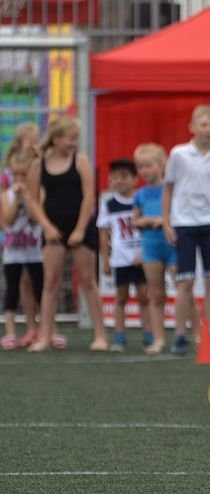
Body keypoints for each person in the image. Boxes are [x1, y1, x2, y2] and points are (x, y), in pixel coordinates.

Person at [25, 116, 107, 352]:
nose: (73, 143)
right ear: (57, 138)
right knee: (50, 282)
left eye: (75, 139)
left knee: (88, 280)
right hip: (53, 226)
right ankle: (45, 336)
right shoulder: (38, 165)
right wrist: (47, 227)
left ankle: (100, 334)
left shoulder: (80, 161)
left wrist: (81, 229)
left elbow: (89, 196)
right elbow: (31, 199)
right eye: (70, 139)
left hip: (80, 225)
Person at [162, 105, 210, 355]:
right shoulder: (178, 154)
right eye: (203, 124)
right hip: (184, 223)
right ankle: (180, 335)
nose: (208, 130)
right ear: (192, 127)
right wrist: (167, 221)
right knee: (185, 281)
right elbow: (168, 188)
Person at [132, 143, 186, 355]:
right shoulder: (140, 194)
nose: (144, 171)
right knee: (155, 294)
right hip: (151, 246)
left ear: (162, 166)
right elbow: (134, 220)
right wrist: (147, 220)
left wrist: (162, 220)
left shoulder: (171, 189)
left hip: (172, 244)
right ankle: (159, 338)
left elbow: (180, 214)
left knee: (184, 288)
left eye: (149, 166)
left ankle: (197, 334)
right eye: (141, 167)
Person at [97, 158, 152, 353]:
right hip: (121, 258)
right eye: (114, 177)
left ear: (135, 179)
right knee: (121, 297)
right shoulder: (108, 204)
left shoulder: (142, 200)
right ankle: (119, 335)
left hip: (142, 257)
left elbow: (149, 231)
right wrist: (106, 259)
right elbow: (104, 233)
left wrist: (144, 253)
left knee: (145, 296)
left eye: (124, 177)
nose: (119, 181)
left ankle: (149, 333)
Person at [1, 122, 41, 348]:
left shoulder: (38, 168)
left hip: (34, 244)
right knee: (15, 286)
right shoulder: (10, 175)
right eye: (31, 140)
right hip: (14, 242)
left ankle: (35, 327)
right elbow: (6, 214)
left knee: (35, 284)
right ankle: (17, 330)